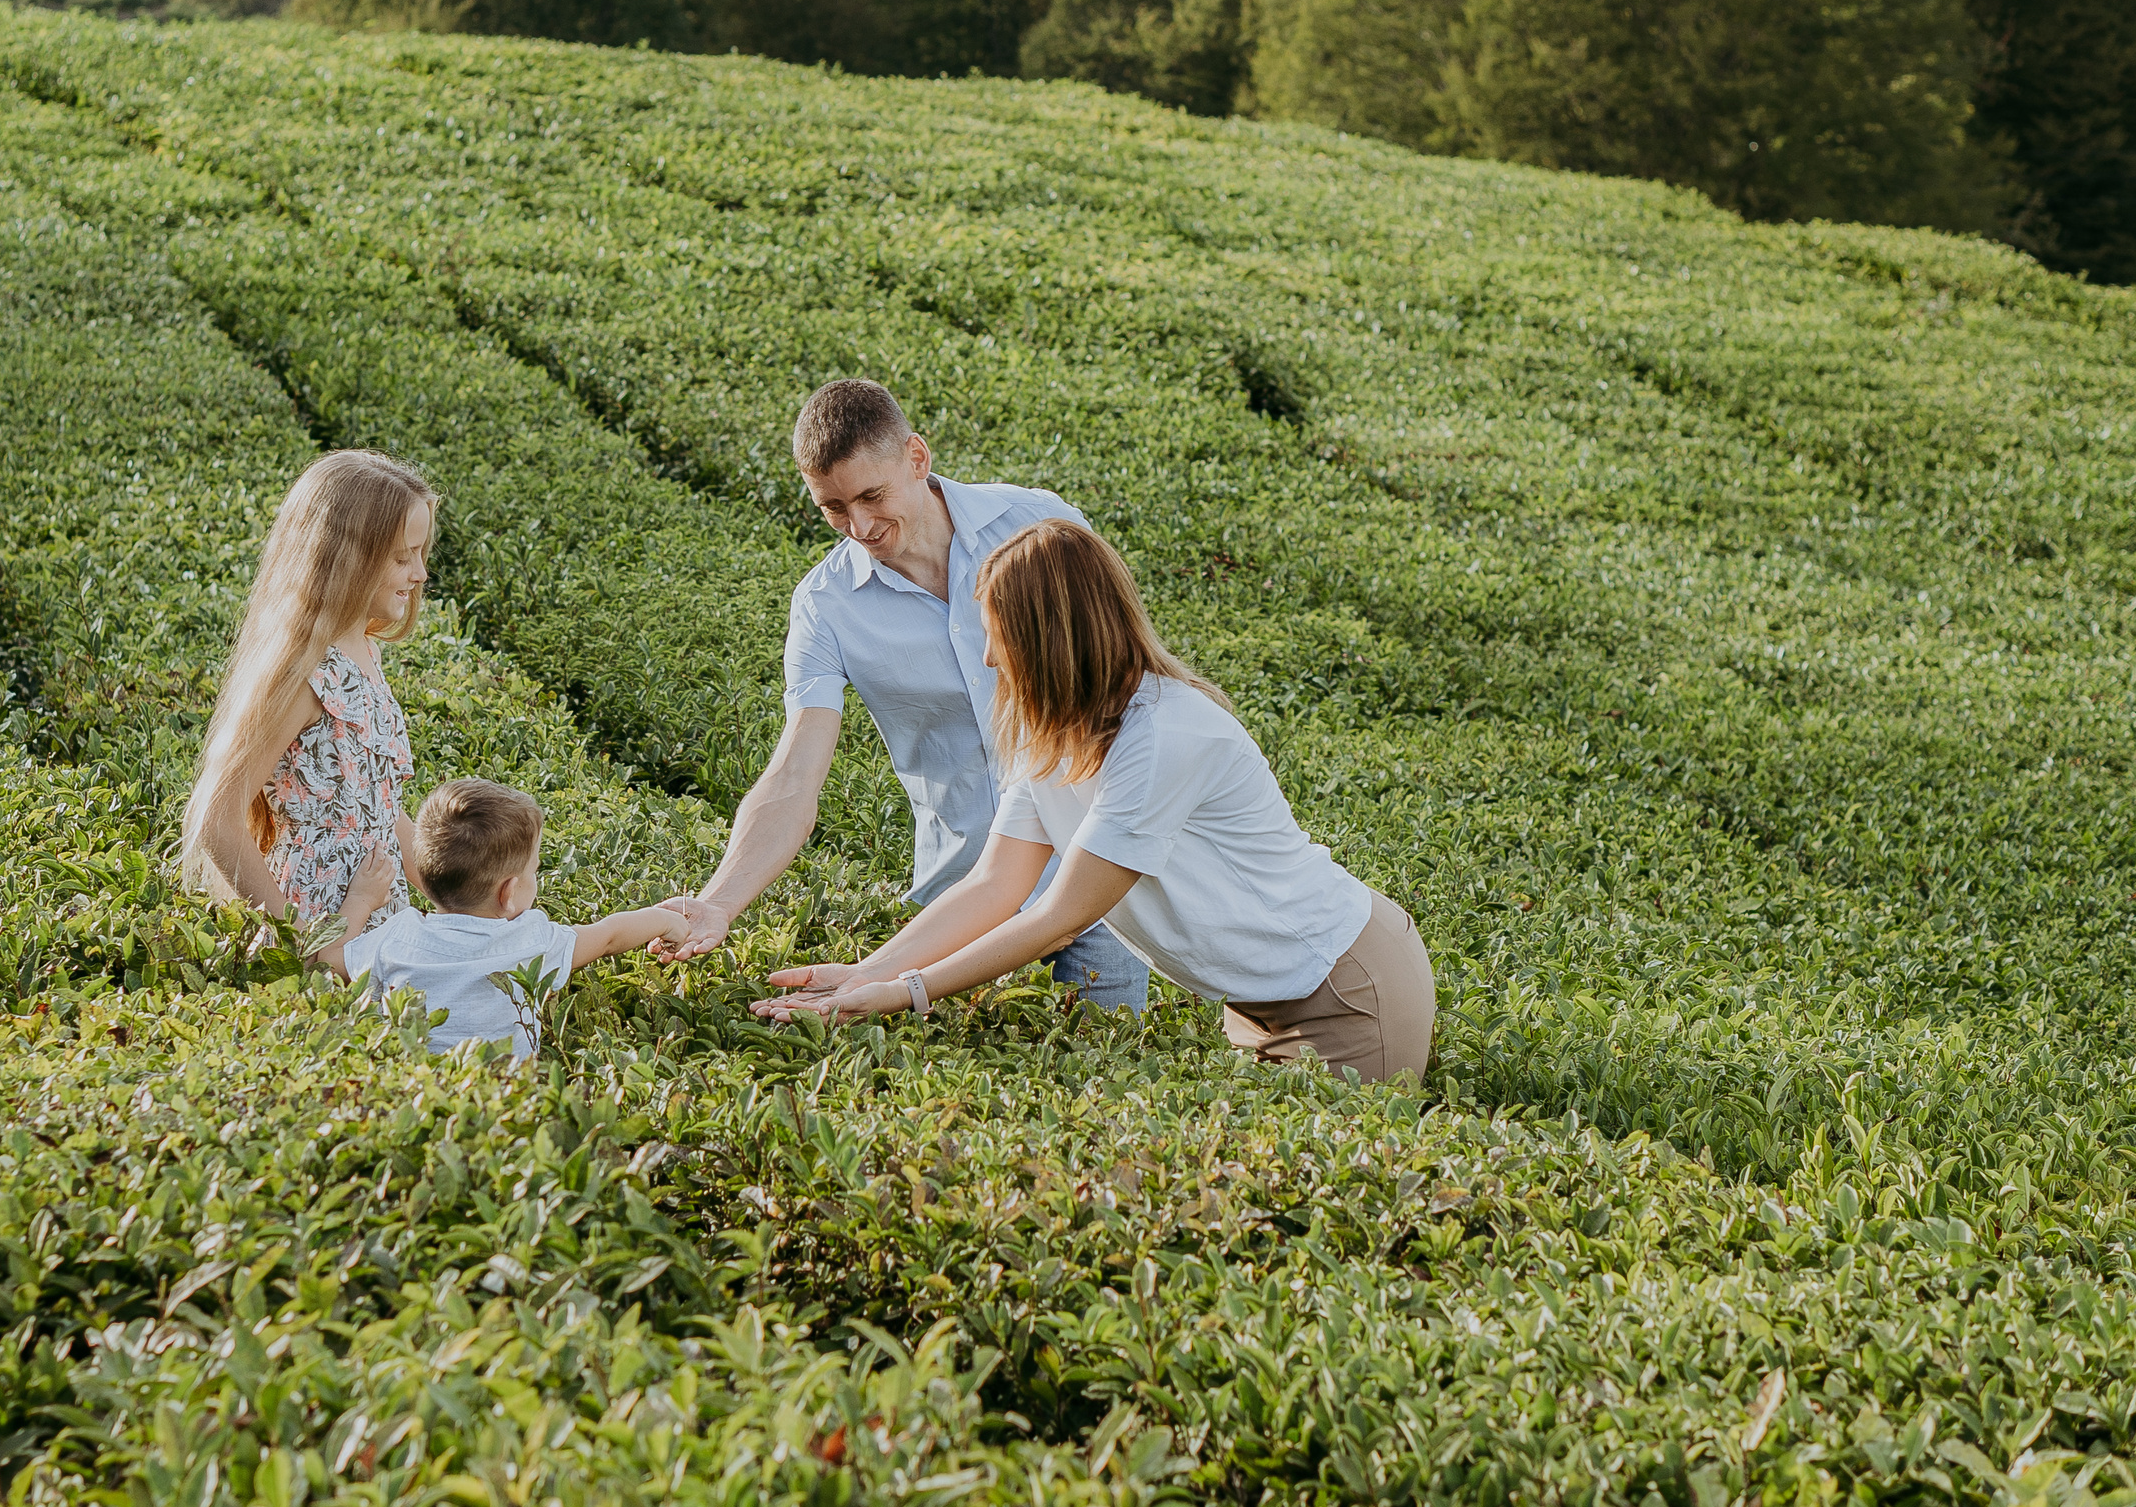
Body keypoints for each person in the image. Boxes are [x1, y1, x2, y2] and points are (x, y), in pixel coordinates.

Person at [753, 520, 1435, 1084]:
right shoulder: (1051, 738)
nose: (988, 656)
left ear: (1050, 640)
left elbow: (1058, 916)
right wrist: (867, 973)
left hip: (1345, 990)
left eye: (998, 633)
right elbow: (994, 886)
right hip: (1256, 1000)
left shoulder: (1164, 735)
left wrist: (907, 992)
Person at [658, 379, 1150, 1010]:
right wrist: (719, 901)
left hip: (1091, 883)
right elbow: (794, 775)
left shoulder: (1038, 524)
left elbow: (1126, 684)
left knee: (1113, 1089)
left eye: (871, 495)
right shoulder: (826, 606)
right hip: (962, 899)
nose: (858, 526)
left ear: (917, 458)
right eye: (832, 508)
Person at [180, 450, 432, 970]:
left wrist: (469, 898)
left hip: (380, 925)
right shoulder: (306, 673)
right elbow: (216, 817)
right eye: (403, 558)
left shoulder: (364, 652)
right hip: (320, 929)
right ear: (350, 558)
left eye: (420, 553)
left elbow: (374, 809)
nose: (421, 573)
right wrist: (297, 945)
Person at [344, 778, 692, 1056]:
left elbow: (327, 960)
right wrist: (665, 921)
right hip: (507, 1106)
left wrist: (361, 899)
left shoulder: (397, 936)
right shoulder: (531, 942)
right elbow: (609, 936)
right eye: (534, 869)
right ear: (508, 893)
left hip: (409, 1095)